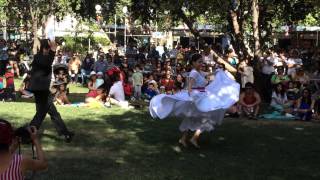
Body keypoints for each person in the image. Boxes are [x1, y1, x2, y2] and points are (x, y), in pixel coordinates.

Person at [149, 53, 240, 148]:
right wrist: (197, 95)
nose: (201, 63)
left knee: (194, 118)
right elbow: (189, 88)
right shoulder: (194, 73)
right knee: (207, 117)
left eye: (202, 61)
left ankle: (184, 139)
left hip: (201, 96)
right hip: (196, 98)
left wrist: (218, 71)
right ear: (193, 63)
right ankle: (194, 138)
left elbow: (209, 74)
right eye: (199, 62)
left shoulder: (199, 72)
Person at [28, 39, 74, 143]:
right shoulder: (40, 57)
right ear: (45, 48)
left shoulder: (39, 57)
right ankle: (27, 135)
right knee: (41, 114)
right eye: (48, 48)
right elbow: (47, 62)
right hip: (41, 89)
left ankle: (66, 133)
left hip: (40, 89)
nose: (49, 51)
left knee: (52, 112)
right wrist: (53, 51)